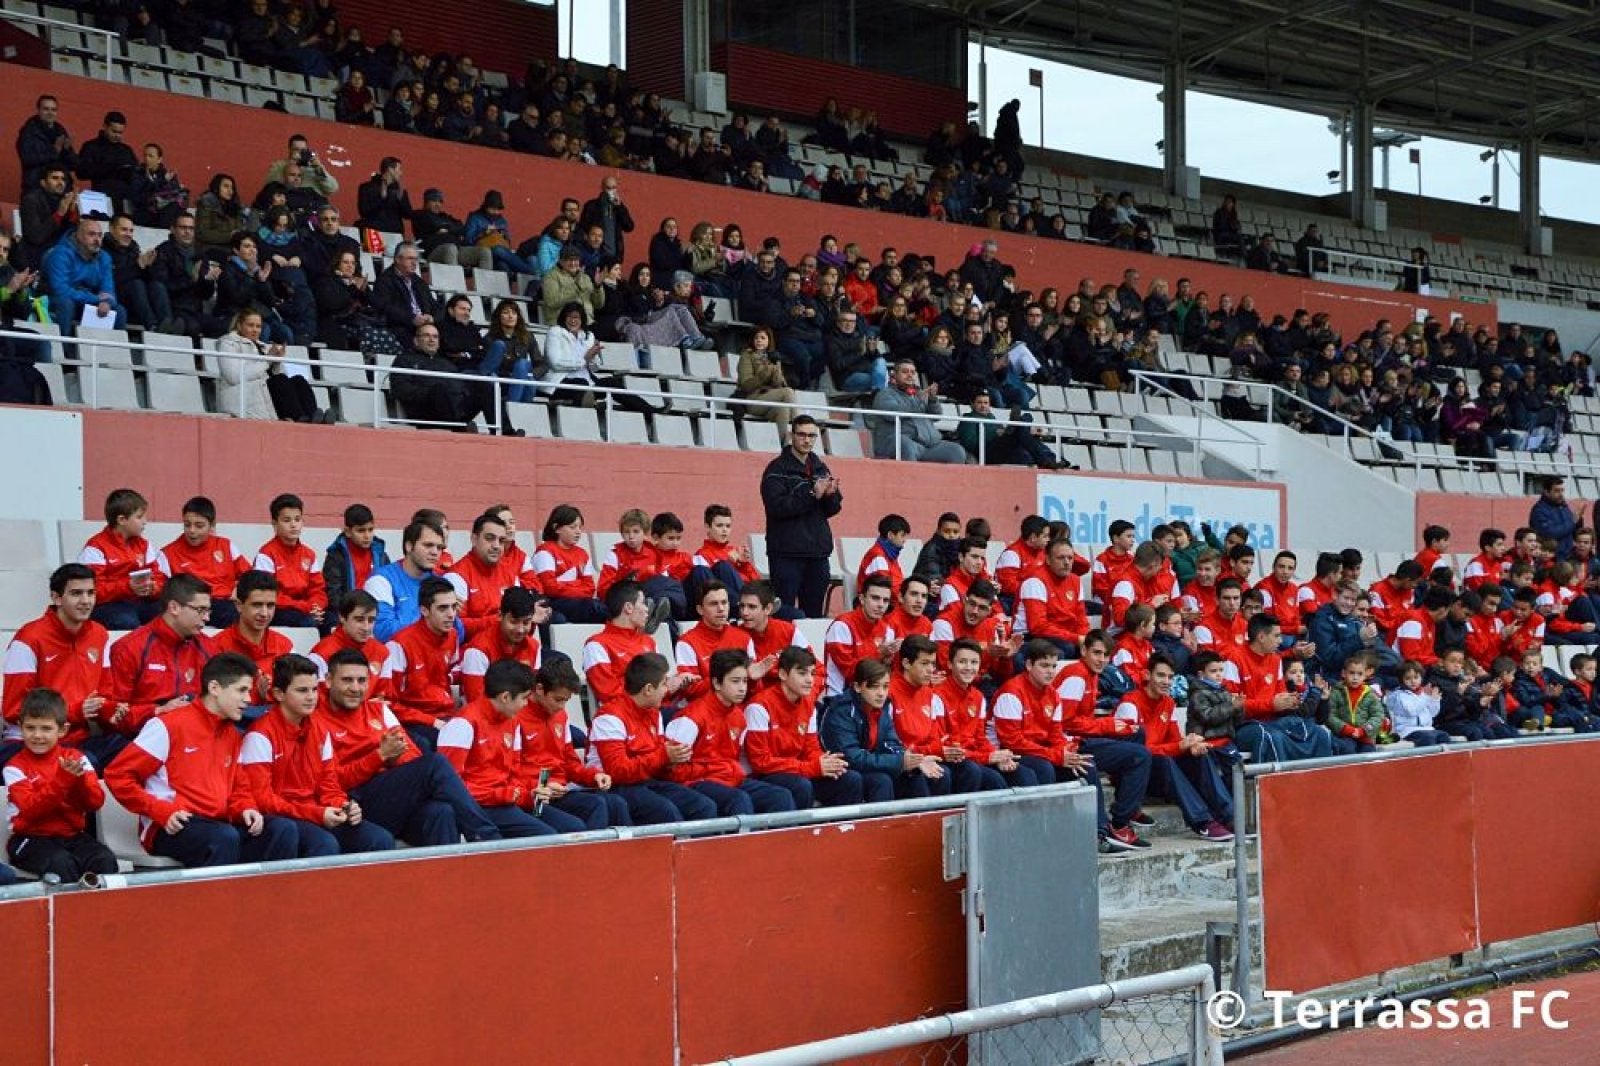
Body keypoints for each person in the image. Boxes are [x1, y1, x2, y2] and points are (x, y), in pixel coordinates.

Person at [104, 652, 298, 867]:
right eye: (242, 690)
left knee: (282, 830)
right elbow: (118, 775)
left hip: (219, 824)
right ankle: (219, 901)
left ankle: (263, 900)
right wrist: (159, 810)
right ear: (214, 688)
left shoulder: (232, 733)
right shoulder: (168, 725)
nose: (249, 700)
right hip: (173, 824)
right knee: (223, 838)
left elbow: (239, 787)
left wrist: (246, 808)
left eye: (249, 691)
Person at [320, 650, 501, 845]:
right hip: (356, 804)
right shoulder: (316, 720)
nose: (355, 688)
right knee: (435, 764)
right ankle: (487, 839)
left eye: (362, 680)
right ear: (329, 680)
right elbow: (334, 781)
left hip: (394, 795)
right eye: (347, 680)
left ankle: (450, 874)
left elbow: (410, 754)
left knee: (441, 812)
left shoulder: (378, 710)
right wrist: (379, 756)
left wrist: (392, 758)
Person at [241, 655, 395, 856]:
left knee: (379, 840)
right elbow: (262, 800)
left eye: (314, 689)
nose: (311, 697)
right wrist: (317, 813)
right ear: (278, 694)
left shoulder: (320, 729)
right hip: (283, 818)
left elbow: (329, 785)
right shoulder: (259, 735)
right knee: (323, 844)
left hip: (317, 812)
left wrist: (344, 805)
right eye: (302, 690)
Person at [1, 564, 122, 769]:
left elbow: (105, 693)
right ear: (57, 598)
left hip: (79, 738)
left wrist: (111, 710)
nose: (85, 601)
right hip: (33, 742)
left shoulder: (99, 635)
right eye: (76, 593)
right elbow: (14, 709)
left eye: (90, 593)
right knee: (85, 765)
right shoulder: (29, 638)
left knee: (136, 753)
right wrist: (75, 711)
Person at [3, 689, 120, 882]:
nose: (37, 735)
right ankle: (69, 912)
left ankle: (100, 912)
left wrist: (79, 781)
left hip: (72, 836)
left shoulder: (76, 758)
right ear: (20, 727)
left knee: (104, 860)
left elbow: (95, 802)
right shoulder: (14, 767)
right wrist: (63, 781)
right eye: (30, 728)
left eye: (46, 728)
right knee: (61, 864)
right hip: (28, 839)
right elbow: (31, 810)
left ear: (63, 730)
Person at [435, 659, 560, 838]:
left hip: (505, 803)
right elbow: (451, 787)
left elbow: (514, 774)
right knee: (545, 839)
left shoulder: (513, 721)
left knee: (569, 828)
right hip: (476, 808)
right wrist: (504, 795)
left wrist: (530, 792)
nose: (527, 704)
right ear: (505, 697)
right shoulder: (462, 724)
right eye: (524, 698)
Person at [1115, 655, 1234, 840]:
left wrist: (1189, 748)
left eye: (1170, 677)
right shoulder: (1130, 705)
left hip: (1161, 771)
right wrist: (1179, 746)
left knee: (1199, 755)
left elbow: (1175, 741)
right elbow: (1133, 755)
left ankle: (1230, 818)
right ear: (1147, 675)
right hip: (1136, 779)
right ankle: (1202, 822)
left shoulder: (1168, 702)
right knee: (1164, 760)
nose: (1166, 682)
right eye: (1161, 676)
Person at [589, 653, 718, 823]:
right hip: (614, 787)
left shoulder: (653, 713)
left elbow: (657, 756)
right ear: (648, 689)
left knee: (703, 805)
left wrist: (673, 760)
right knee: (666, 812)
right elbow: (618, 771)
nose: (667, 690)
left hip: (645, 781)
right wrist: (664, 756)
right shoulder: (610, 717)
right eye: (664, 683)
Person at [666, 649, 795, 815]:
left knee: (780, 796)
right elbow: (672, 771)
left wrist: (728, 769)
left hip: (728, 778)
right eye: (735, 681)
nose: (742, 688)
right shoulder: (690, 719)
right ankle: (744, 842)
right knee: (738, 799)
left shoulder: (738, 716)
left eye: (744, 681)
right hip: (696, 783)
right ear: (717, 683)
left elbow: (737, 759)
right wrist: (713, 769)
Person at [744, 646, 873, 807]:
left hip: (798, 770)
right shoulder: (759, 706)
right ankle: (799, 832)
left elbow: (811, 748)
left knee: (850, 779)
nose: (810, 680)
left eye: (812, 673)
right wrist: (809, 768)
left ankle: (842, 830)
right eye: (802, 673)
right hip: (766, 775)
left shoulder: (808, 704)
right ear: (783, 674)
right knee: (801, 785)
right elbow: (760, 762)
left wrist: (825, 762)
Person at [515, 659, 629, 832]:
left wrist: (594, 776)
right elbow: (509, 770)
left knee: (616, 803)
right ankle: (588, 857)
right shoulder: (516, 717)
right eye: (558, 699)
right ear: (539, 689)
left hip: (558, 790)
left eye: (566, 701)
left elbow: (569, 761)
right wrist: (540, 785)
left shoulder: (560, 716)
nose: (562, 706)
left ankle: (620, 857)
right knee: (582, 819)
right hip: (533, 796)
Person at [759, 417, 842, 617]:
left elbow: (831, 510)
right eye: (802, 434)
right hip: (786, 553)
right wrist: (812, 494)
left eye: (812, 435)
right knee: (784, 613)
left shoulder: (821, 467)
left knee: (813, 615)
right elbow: (777, 507)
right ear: (791, 436)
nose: (807, 440)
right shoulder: (776, 469)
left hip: (817, 553)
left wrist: (830, 496)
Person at [1225, 614, 1334, 761]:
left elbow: (1280, 694)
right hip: (1245, 726)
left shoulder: (1276, 660)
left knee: (1319, 733)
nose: (1280, 641)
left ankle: (1320, 781)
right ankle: (1275, 783)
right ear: (1261, 637)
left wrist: (1290, 700)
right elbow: (1232, 704)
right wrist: (1271, 705)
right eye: (1276, 636)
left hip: (1275, 721)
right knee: (1271, 737)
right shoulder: (1234, 659)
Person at [214, 307, 328, 422]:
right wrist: (267, 360)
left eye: (258, 326)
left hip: (264, 392)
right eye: (250, 325)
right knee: (279, 380)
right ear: (239, 325)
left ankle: (313, 416)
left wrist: (276, 363)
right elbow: (233, 376)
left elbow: (276, 375)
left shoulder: (264, 346)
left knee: (298, 380)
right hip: (243, 394)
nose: (255, 330)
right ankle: (299, 417)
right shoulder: (228, 343)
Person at [78, 487, 165, 631]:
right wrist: (128, 587)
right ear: (122, 520)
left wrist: (152, 588)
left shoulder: (144, 545)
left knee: (174, 616)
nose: (145, 521)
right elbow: (90, 590)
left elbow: (159, 577)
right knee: (126, 621)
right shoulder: (96, 548)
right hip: (107, 605)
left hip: (140, 601)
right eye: (139, 517)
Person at [583, 581, 677, 705]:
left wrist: (676, 684)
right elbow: (608, 693)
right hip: (622, 717)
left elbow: (661, 686)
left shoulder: (649, 642)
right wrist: (656, 691)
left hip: (656, 712)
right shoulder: (596, 645)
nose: (647, 609)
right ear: (628, 607)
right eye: (643, 603)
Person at [869, 359, 967, 463]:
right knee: (904, 445)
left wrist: (932, 399)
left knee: (956, 451)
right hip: (900, 443)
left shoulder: (916, 394)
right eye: (905, 372)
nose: (910, 375)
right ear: (894, 376)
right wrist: (918, 400)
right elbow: (892, 414)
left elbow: (936, 416)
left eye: (912, 372)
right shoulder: (885, 394)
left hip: (929, 446)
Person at [252, 493, 327, 628]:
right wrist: (303, 607)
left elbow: (318, 589)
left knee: (334, 620)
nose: (293, 525)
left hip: (306, 608)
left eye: (297, 519)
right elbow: (267, 594)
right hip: (279, 609)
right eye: (287, 520)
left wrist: (315, 607)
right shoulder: (266, 554)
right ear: (275, 524)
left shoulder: (309, 554)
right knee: (306, 621)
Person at [149, 212, 225, 337]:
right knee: (191, 327)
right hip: (173, 309)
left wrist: (208, 281)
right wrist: (191, 280)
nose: (187, 232)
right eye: (183, 228)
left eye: (191, 228)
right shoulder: (163, 251)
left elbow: (205, 295)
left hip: (195, 310)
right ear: (173, 229)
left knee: (223, 328)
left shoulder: (200, 255)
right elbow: (160, 286)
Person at [43, 216, 124, 333]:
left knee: (119, 311)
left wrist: (106, 302)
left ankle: (113, 350)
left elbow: (108, 288)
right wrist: (95, 299)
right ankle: (63, 348)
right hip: (54, 298)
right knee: (66, 304)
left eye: (100, 235)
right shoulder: (60, 254)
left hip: (86, 299)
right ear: (78, 236)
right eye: (91, 234)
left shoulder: (104, 257)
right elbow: (60, 290)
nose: (97, 240)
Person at [823, 575, 897, 696]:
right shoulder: (842, 626)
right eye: (875, 598)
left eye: (885, 600)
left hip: (874, 698)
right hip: (841, 698)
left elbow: (886, 675)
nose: (881, 605)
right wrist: (879, 654)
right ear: (862, 599)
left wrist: (888, 662)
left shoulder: (887, 630)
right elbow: (850, 673)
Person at [734, 326, 796, 436]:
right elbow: (745, 385)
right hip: (752, 399)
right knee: (788, 392)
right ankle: (800, 428)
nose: (759, 340)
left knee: (783, 410)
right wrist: (766, 371)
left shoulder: (772, 357)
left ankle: (785, 446)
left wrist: (776, 367)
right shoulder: (746, 356)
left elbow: (779, 385)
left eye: (763, 338)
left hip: (770, 398)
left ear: (769, 341)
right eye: (756, 338)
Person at [411, 188, 492, 270]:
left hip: (457, 250)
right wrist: (449, 227)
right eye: (434, 201)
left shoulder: (444, 216)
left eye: (440, 201)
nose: (438, 204)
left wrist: (447, 229)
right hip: (433, 252)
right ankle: (456, 282)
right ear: (426, 202)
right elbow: (433, 225)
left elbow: (462, 228)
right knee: (451, 248)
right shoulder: (419, 215)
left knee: (484, 252)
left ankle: (487, 282)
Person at [578, 176, 635, 262]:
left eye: (614, 187)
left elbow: (629, 227)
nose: (611, 191)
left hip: (615, 255)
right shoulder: (592, 205)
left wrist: (619, 207)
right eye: (608, 188)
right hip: (596, 254)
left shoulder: (619, 206)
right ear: (602, 188)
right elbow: (583, 227)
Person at [355, 156, 412, 235]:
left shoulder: (399, 190)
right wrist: (381, 198)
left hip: (395, 234)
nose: (401, 173)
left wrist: (401, 200)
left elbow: (408, 215)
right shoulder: (367, 188)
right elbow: (363, 212)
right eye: (399, 169)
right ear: (390, 170)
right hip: (373, 234)